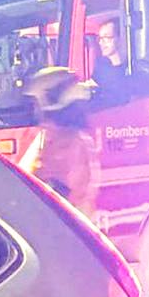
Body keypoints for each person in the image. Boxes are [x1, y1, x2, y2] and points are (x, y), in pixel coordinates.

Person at [25, 67, 99, 221]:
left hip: (63, 224)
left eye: (36, 103)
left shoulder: (70, 143)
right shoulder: (54, 137)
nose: (34, 110)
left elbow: (59, 189)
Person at [91, 20, 131, 106]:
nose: (101, 42)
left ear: (119, 39)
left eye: (106, 37)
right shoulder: (99, 70)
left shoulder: (131, 67)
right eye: (100, 38)